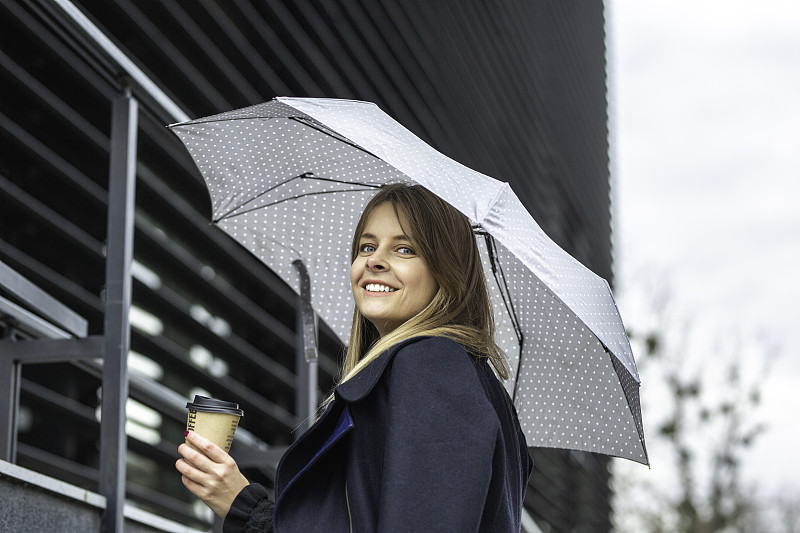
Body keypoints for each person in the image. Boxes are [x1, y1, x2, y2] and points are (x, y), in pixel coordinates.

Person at [176, 183, 533, 532]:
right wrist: (243, 505)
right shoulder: (465, 379)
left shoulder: (429, 363)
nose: (375, 261)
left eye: (405, 249)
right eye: (366, 246)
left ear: (446, 271)